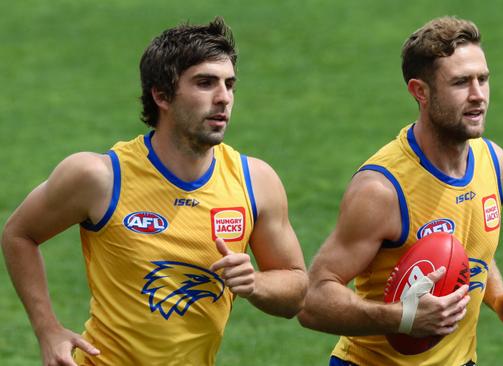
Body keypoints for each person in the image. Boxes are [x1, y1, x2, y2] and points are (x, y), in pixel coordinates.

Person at [2, 17, 307, 366]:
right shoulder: (100, 177)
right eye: (205, 83)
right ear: (161, 95)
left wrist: (255, 283)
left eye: (230, 84)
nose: (224, 98)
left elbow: (296, 291)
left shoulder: (255, 181)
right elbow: (19, 234)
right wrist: (47, 329)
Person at [298, 16, 503, 365]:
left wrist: (500, 299)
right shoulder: (381, 189)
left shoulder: (493, 162)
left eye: (482, 79)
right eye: (460, 83)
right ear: (420, 92)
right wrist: (403, 318)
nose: (477, 96)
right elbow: (312, 301)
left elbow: (470, 250)